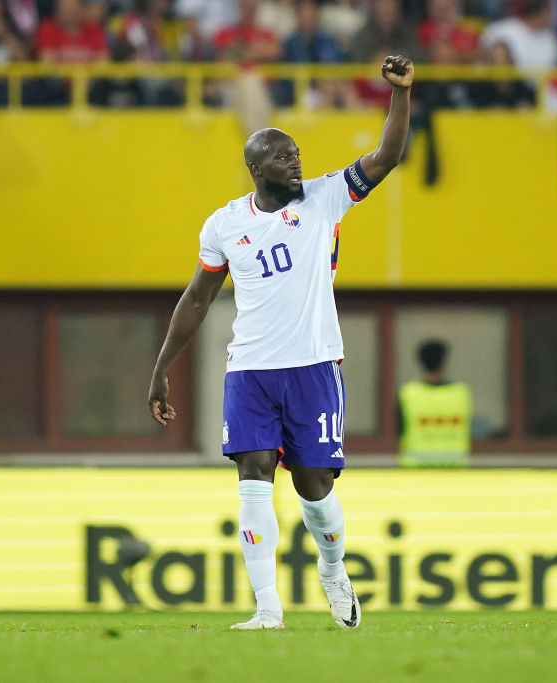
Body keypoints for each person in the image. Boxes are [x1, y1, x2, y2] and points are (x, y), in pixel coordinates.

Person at [147, 55, 414, 631]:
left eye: (298, 155)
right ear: (255, 166)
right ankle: (267, 608)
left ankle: (334, 568)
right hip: (250, 371)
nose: (297, 163)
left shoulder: (325, 198)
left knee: (314, 491)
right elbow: (197, 300)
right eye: (283, 156)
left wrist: (400, 95)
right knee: (253, 478)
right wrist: (162, 367)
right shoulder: (223, 225)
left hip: (314, 366)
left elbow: (387, 156)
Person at [397, 340, 473, 468]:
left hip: (415, 470)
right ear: (444, 363)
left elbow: (398, 429)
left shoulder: (409, 394)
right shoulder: (461, 393)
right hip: (455, 469)